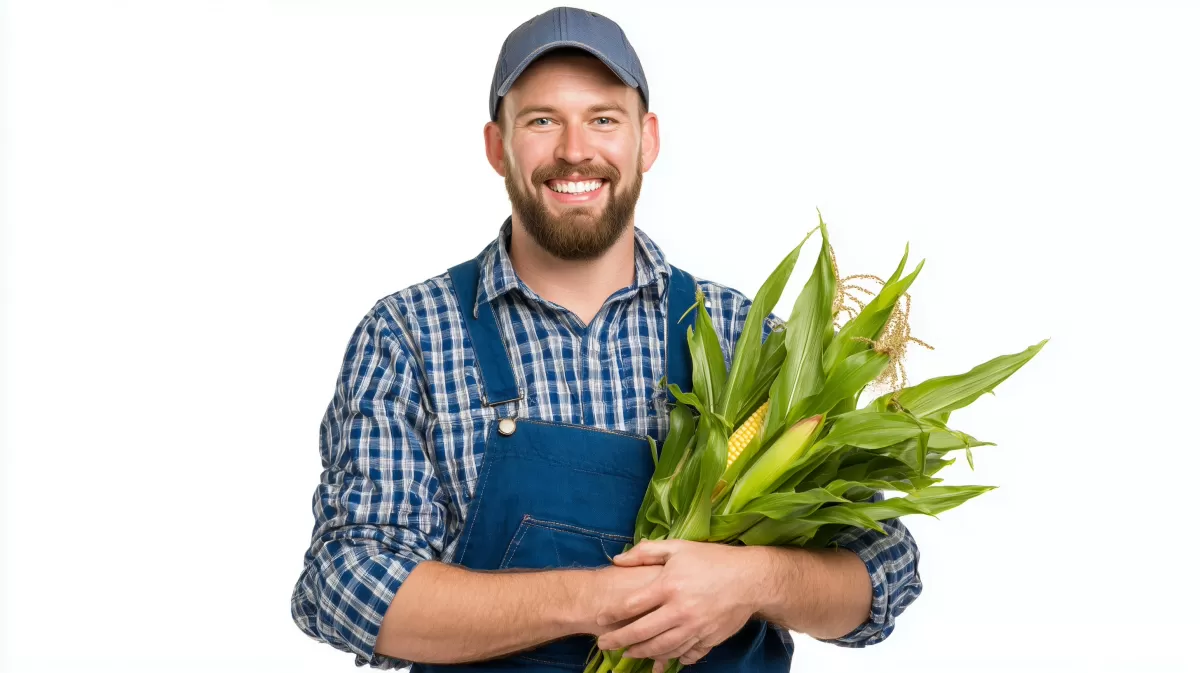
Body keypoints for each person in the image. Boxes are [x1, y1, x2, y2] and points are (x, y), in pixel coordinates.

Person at [290, 7, 922, 672]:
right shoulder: (410, 337)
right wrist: (608, 598)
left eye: (602, 118)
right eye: (541, 120)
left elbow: (883, 570)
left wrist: (752, 579)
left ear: (646, 139)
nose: (573, 149)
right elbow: (347, 585)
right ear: (496, 145)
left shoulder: (744, 336)